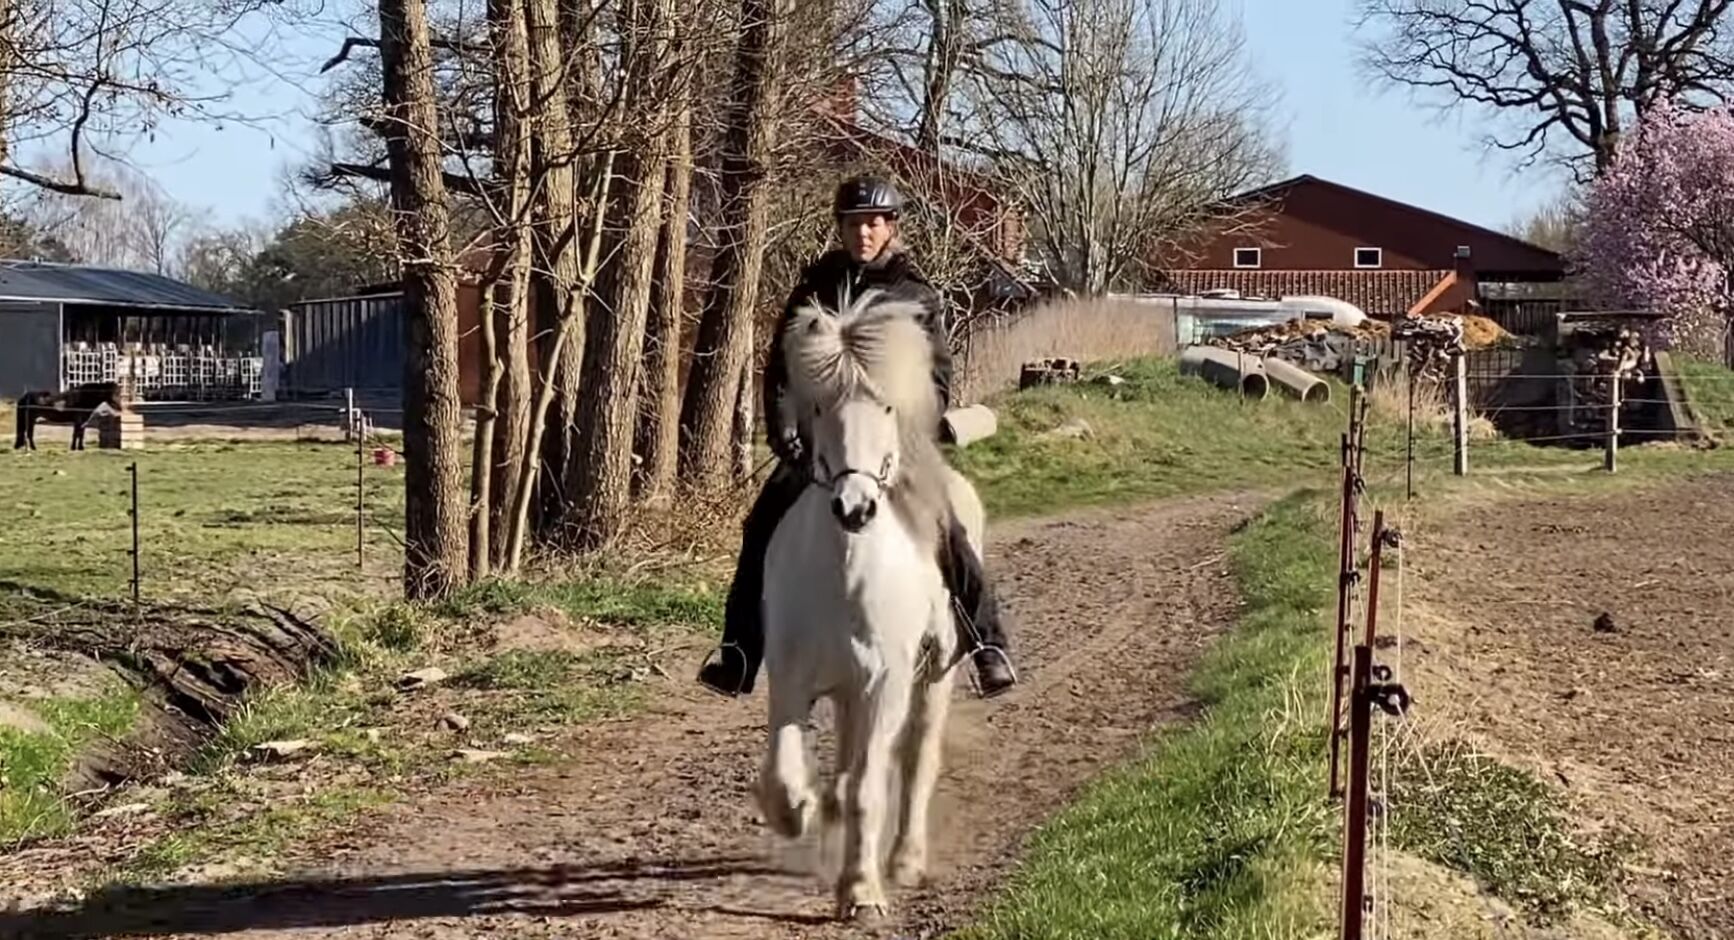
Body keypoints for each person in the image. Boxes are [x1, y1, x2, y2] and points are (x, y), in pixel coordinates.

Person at [697, 174, 1019, 700]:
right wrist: (783, 429)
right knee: (760, 527)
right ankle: (739, 653)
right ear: (841, 228)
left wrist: (910, 428)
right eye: (853, 224)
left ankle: (987, 644)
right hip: (822, 445)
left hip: (893, 444)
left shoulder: (915, 295)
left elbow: (937, 380)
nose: (862, 233)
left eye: (872, 223)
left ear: (890, 227)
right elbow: (780, 370)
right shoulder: (815, 288)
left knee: (947, 525)